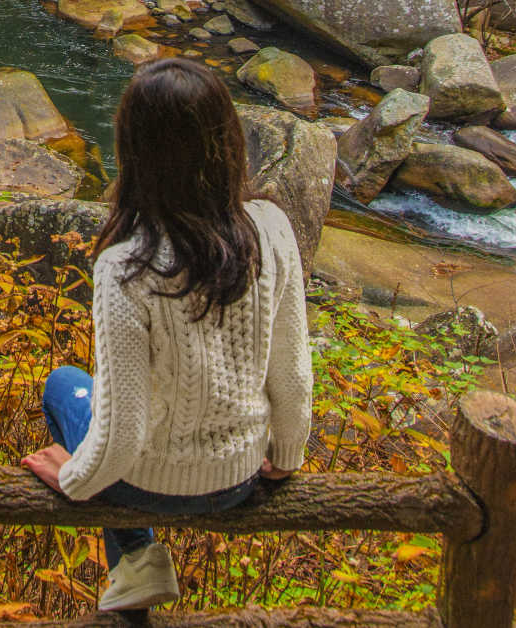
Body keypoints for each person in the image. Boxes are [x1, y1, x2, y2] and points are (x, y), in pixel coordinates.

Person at [21, 58, 312, 611]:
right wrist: (287, 455)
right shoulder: (271, 231)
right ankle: (138, 564)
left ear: (135, 153)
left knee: (64, 384)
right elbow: (292, 374)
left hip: (145, 486)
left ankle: (136, 557)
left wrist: (75, 480)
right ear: (228, 141)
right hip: (240, 477)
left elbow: (122, 431)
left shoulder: (126, 265)